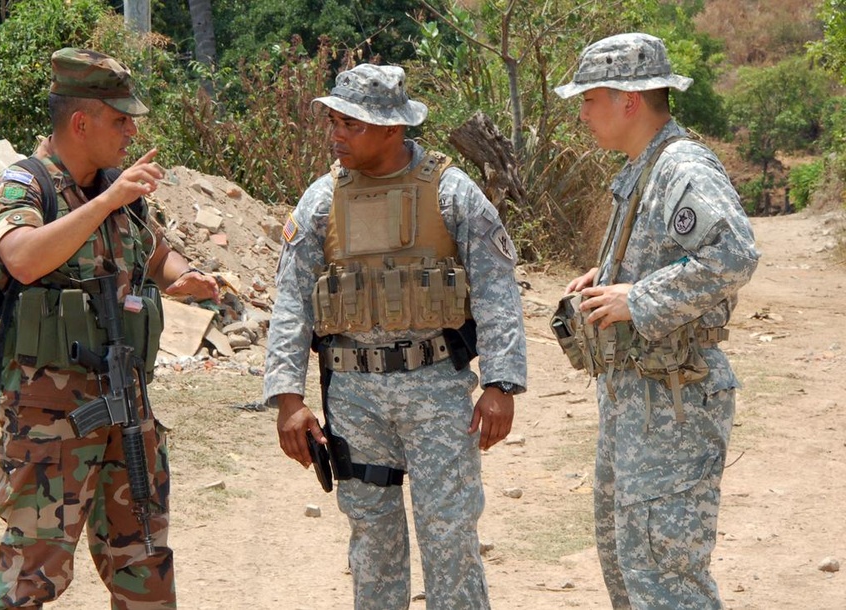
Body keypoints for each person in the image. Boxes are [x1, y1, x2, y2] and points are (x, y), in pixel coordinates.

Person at [264, 63, 527, 609]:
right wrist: (289, 399)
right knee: (372, 545)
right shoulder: (319, 201)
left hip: (436, 391)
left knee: (450, 537)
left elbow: (497, 289)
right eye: (333, 120)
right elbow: (291, 302)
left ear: (392, 128)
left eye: (350, 124)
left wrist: (501, 383)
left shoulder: (452, 193)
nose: (336, 133)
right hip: (354, 398)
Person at [0, 48, 219, 609]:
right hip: (47, 419)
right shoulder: (23, 184)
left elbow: (157, 255)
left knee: (144, 563)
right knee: (30, 575)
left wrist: (186, 277)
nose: (132, 130)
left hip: (127, 407)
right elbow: (22, 258)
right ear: (80, 122)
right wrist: (109, 198)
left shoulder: (121, 191)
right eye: (120, 119)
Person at [554, 33, 760, 609]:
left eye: (589, 98)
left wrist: (637, 296)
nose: (582, 112)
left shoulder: (679, 165)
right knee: (631, 570)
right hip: (639, 404)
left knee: (667, 582)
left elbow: (734, 253)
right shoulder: (644, 168)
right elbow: (674, 253)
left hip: (673, 407)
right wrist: (609, 276)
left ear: (629, 101)